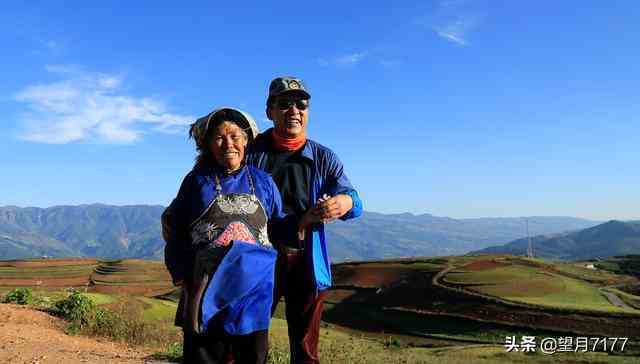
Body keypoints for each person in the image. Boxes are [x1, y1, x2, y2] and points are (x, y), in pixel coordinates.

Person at [162, 107, 296, 364]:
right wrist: (181, 275)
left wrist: (309, 218)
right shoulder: (196, 181)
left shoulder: (264, 182)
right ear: (209, 144)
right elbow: (175, 228)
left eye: (235, 136)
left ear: (246, 141)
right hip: (206, 287)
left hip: (254, 290)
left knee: (253, 358)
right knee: (205, 357)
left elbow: (279, 227)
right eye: (220, 137)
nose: (229, 144)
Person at [247, 76, 363, 363]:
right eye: (284, 103)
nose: (294, 110)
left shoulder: (323, 157)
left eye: (301, 104)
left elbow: (355, 201)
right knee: (247, 342)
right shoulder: (251, 152)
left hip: (306, 260)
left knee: (306, 350)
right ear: (269, 111)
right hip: (258, 259)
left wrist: (344, 202)